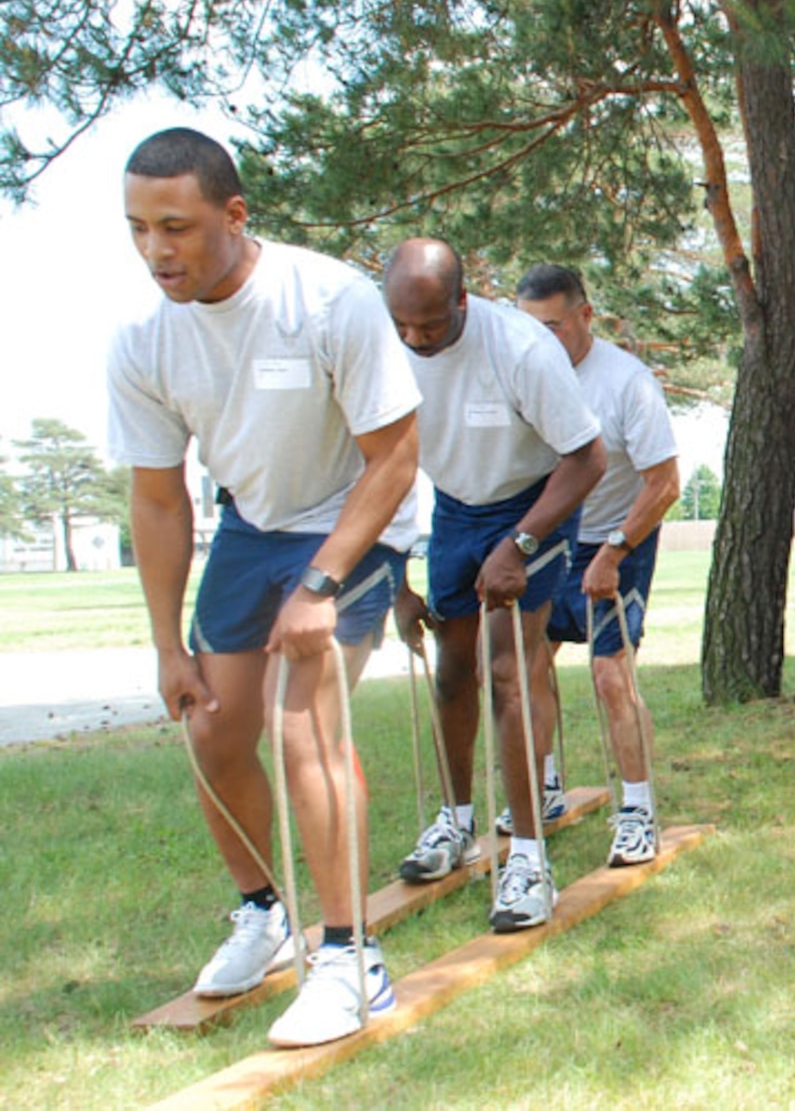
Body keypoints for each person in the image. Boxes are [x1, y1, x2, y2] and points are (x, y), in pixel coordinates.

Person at [109, 128, 418, 1047]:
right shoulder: (144, 343)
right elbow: (160, 500)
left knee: (300, 725)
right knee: (211, 727)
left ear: (235, 217)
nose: (157, 251)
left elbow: (396, 456)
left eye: (177, 225)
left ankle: (351, 957)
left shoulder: (326, 298)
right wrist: (168, 644)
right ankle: (264, 914)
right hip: (252, 525)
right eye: (137, 228)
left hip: (355, 512)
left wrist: (321, 583)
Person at [384, 239, 606, 933]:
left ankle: (529, 858)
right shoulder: (381, 344)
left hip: (532, 500)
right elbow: (377, 461)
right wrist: (396, 576)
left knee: (507, 670)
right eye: (404, 326)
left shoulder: (521, 349)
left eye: (431, 325)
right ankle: (454, 822)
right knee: (453, 671)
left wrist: (522, 544)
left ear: (464, 300)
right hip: (455, 506)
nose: (417, 340)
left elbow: (588, 458)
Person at [516, 263, 681, 868]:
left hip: (621, 535)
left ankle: (636, 808)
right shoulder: (522, 372)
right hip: (550, 537)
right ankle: (546, 787)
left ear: (585, 316)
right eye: (528, 328)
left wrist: (613, 550)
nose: (540, 341)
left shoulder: (628, 383)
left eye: (553, 327)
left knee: (611, 675)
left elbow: (664, 485)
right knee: (528, 662)